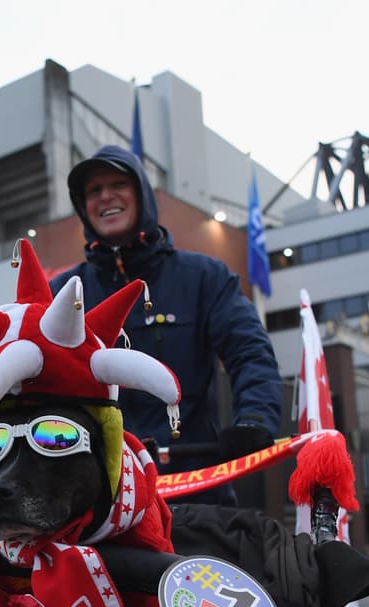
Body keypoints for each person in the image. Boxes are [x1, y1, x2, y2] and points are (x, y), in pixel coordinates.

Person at [49, 145, 282, 505]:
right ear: (83, 206)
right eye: (94, 191)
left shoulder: (205, 278)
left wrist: (255, 419)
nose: (106, 196)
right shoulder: (62, 295)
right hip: (98, 498)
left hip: (196, 490)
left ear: (142, 194)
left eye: (117, 184)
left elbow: (249, 352)